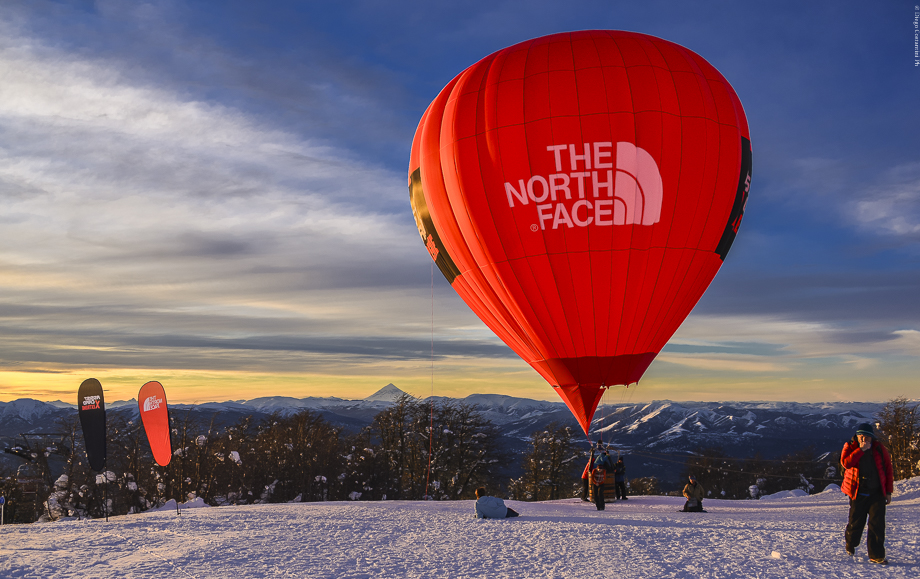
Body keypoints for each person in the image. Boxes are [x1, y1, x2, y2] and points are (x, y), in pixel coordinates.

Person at [841, 422, 893, 564]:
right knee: (856, 523)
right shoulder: (850, 447)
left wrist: (888, 491)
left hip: (877, 493)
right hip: (858, 493)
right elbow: (846, 463)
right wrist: (860, 450)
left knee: (877, 524)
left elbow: (888, 469)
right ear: (857, 437)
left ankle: (876, 555)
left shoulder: (879, 449)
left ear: (872, 438)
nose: (865, 440)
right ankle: (851, 543)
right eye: (862, 437)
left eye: (867, 438)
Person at [592, 446, 615, 511]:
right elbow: (593, 477)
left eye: (601, 470)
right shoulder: (602, 456)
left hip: (600, 483)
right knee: (596, 495)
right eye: (599, 469)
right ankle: (598, 507)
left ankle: (602, 506)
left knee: (600, 494)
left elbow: (604, 477)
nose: (600, 471)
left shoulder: (603, 471)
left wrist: (600, 482)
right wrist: (607, 456)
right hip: (595, 483)